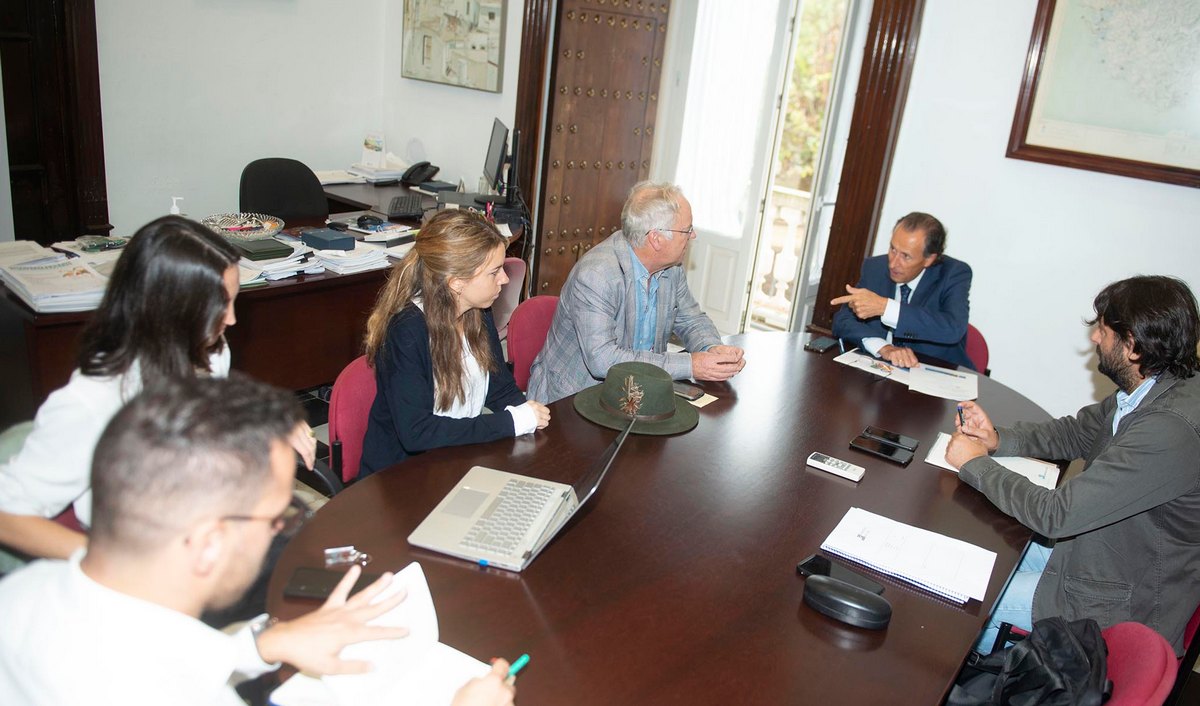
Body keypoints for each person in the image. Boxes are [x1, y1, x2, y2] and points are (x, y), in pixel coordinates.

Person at [0, 376, 515, 705]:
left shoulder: (21, 597)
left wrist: (261, 645)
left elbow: (170, 648)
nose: (284, 530)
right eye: (278, 515)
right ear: (207, 543)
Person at [0, 216, 316, 564]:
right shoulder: (92, 400)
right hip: (150, 559)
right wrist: (106, 562)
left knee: (319, 557)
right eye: (219, 307)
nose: (231, 320)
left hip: (209, 527)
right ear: (171, 312)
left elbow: (211, 420)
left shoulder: (210, 351)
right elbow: (8, 516)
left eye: (233, 301)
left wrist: (268, 422)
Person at [946, 275, 1200, 655]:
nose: (1095, 338)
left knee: (959, 595)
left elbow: (1057, 514)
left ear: (1132, 346)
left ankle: (968, 680)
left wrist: (975, 464)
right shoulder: (1155, 384)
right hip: (1100, 551)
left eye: (1102, 329)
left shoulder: (1169, 430)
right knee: (968, 548)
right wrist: (998, 439)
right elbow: (1079, 432)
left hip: (1121, 599)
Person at [359, 209, 550, 476]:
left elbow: (500, 390)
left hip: (454, 458)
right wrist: (510, 423)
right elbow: (417, 433)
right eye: (495, 272)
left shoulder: (478, 313)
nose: (505, 279)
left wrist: (529, 418)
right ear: (458, 283)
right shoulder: (407, 331)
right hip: (402, 478)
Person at [528, 181, 745, 404]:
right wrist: (691, 365)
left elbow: (692, 319)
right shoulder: (597, 275)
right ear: (656, 239)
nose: (693, 236)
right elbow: (602, 360)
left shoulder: (671, 269)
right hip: (574, 399)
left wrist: (712, 348)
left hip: (638, 393)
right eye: (687, 230)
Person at [831, 212, 973, 369]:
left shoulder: (954, 274)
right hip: (886, 372)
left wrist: (887, 308)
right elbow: (843, 320)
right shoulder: (875, 267)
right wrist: (884, 348)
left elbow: (953, 328)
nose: (893, 263)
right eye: (893, 249)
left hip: (937, 374)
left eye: (906, 256)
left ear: (929, 259)